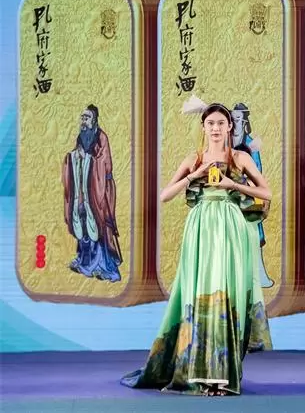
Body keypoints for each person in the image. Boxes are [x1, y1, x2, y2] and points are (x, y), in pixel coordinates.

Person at [120, 103, 272, 396]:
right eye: (210, 123)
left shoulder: (240, 158)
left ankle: (223, 374)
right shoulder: (194, 158)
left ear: (230, 127)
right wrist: (195, 174)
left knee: (226, 293)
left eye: (221, 123)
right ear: (203, 127)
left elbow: (266, 192)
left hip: (231, 227)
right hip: (201, 226)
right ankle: (198, 371)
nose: (215, 128)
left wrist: (232, 185)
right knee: (200, 293)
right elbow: (165, 195)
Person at [62, 104, 122, 282]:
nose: (83, 120)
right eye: (82, 117)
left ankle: (103, 266)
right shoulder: (81, 136)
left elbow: (105, 164)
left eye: (87, 117)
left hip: (100, 189)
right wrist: (74, 156)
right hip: (83, 189)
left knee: (99, 224)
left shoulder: (101, 137)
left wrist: (88, 159)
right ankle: (84, 261)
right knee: (82, 220)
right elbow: (76, 156)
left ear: (94, 120)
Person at [234, 143, 273, 353]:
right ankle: (235, 335)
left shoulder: (255, 184)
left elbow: (265, 209)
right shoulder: (227, 182)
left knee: (251, 280)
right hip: (232, 232)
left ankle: (255, 338)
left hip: (249, 232)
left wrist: (255, 209)